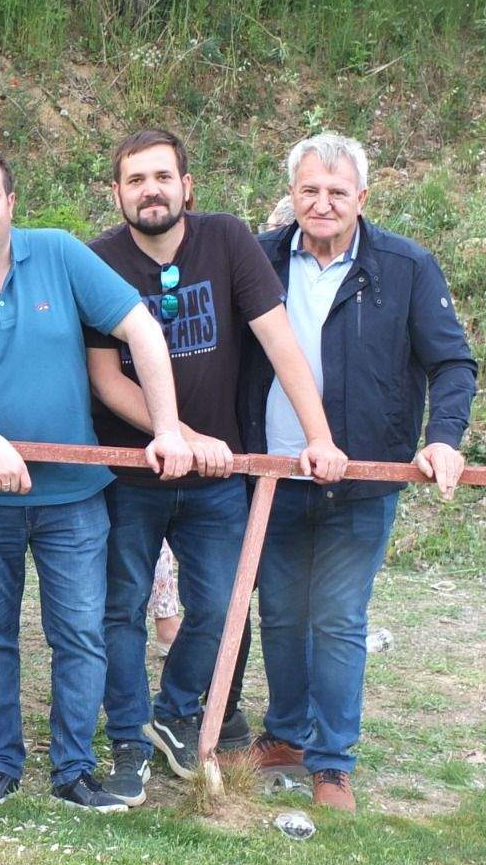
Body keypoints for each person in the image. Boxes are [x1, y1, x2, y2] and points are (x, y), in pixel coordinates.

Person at [0, 145, 193, 813]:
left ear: (11, 202)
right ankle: (0, 765)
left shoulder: (58, 253)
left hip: (74, 496)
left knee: (80, 634)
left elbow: (141, 330)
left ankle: (73, 770)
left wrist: (168, 429)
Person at [85, 128, 346, 799]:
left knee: (225, 604)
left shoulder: (226, 240)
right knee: (121, 609)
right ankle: (127, 739)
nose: (150, 191)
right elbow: (106, 379)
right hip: (130, 474)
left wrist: (319, 437)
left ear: (186, 186)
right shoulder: (98, 260)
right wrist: (178, 432)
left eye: (161, 177)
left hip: (216, 476)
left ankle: (172, 712)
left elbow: (281, 344)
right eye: (135, 180)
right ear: (117, 193)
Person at [239, 132, 477, 810]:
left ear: (362, 198)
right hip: (272, 473)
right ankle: (286, 735)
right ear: (292, 194)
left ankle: (333, 762)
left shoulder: (406, 267)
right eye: (309, 190)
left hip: (364, 478)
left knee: (339, 618)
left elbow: (452, 363)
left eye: (337, 192)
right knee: (282, 613)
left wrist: (443, 439)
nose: (322, 203)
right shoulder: (257, 260)